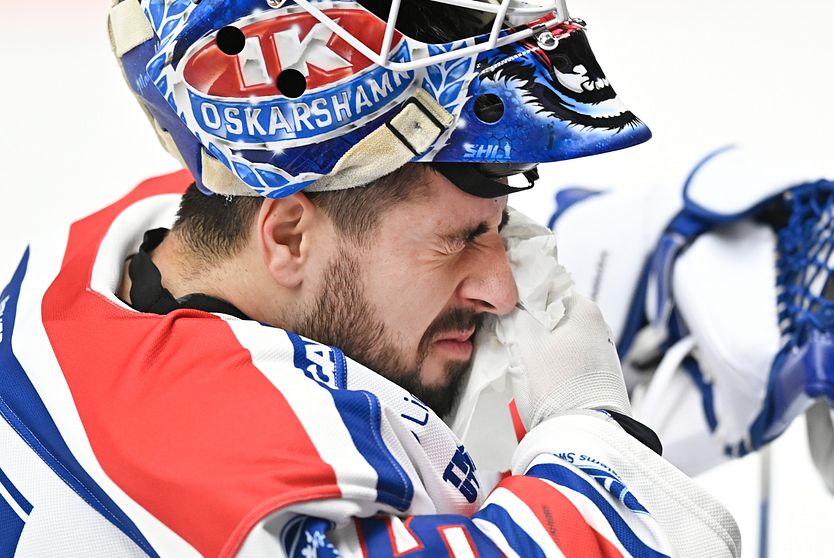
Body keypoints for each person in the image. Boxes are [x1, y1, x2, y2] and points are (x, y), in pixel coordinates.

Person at [0, 0, 740, 556]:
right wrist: (596, 438)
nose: (505, 290)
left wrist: (642, 249)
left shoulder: (147, 236)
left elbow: (370, 261)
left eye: (498, 229)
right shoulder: (248, 489)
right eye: (460, 241)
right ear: (287, 234)